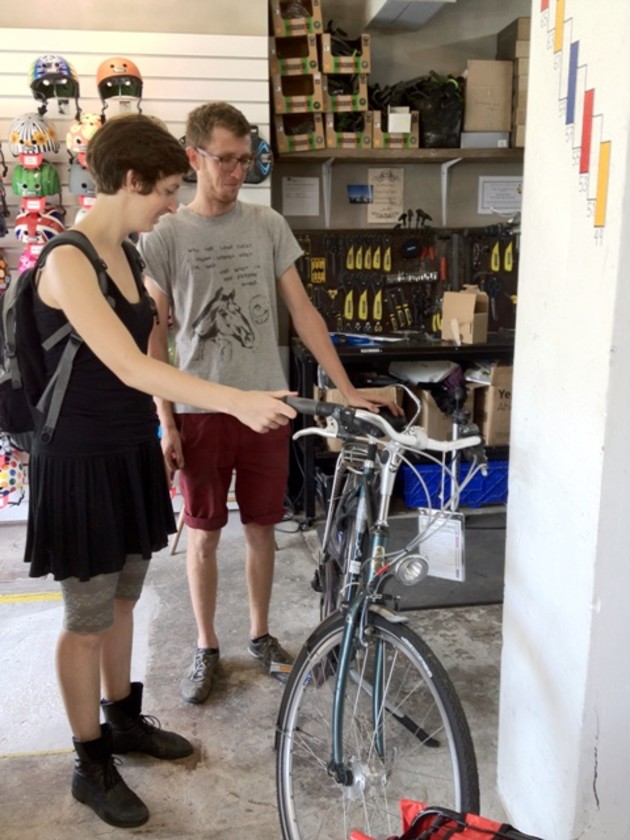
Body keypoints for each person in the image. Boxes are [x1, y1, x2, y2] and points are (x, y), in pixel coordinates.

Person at [24, 113, 296, 829]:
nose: (173, 204)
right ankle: (89, 763)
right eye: (168, 189)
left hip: (127, 452)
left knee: (122, 602)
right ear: (132, 180)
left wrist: (164, 430)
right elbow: (130, 365)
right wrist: (235, 399)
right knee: (86, 619)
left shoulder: (125, 252)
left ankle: (121, 719)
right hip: (79, 463)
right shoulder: (68, 261)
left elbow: (153, 350)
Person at [138, 101, 401, 706]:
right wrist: (165, 420)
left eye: (245, 160)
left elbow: (303, 312)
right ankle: (206, 645)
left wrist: (345, 387)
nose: (237, 173)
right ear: (193, 157)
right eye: (225, 160)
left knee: (262, 529)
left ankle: (259, 635)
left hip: (267, 406)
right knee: (203, 533)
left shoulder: (267, 224)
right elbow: (154, 336)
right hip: (201, 410)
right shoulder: (166, 235)